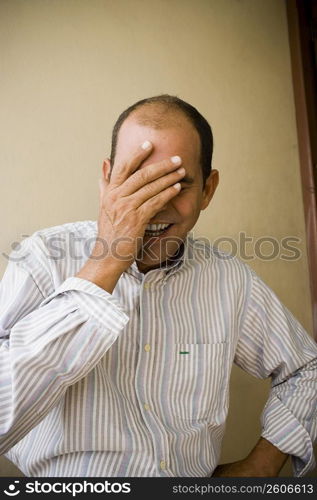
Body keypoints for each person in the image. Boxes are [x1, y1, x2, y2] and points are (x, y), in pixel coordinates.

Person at [0, 94, 316, 478]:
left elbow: (306, 368)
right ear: (106, 179)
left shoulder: (231, 280)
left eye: (177, 184)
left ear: (208, 190)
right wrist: (107, 261)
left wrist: (260, 468)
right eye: (138, 180)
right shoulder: (41, 260)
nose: (154, 205)